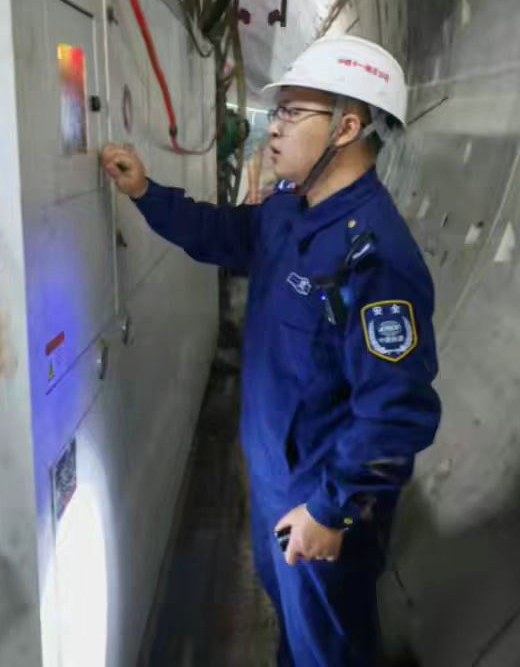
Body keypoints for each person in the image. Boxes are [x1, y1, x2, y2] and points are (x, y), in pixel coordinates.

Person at [102, 35, 441, 667]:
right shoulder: (288, 210)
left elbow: (397, 415)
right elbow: (219, 232)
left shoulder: (374, 257)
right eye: (276, 111)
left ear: (346, 128)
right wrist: (147, 192)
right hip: (272, 476)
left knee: (329, 647)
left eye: (291, 112)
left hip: (318, 495)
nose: (273, 128)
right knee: (294, 628)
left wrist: (331, 512)